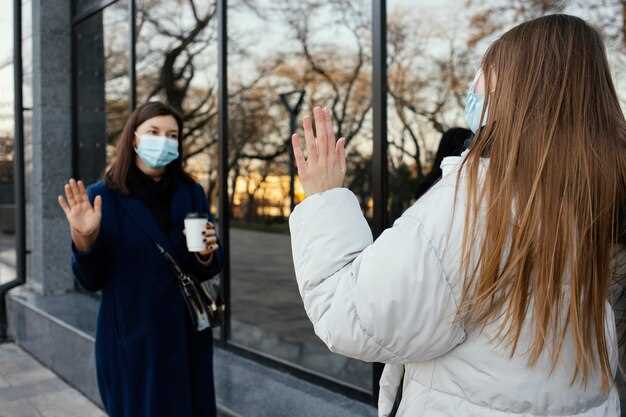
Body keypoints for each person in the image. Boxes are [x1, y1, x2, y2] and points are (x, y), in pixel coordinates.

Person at [289, 14, 626, 417]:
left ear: (519, 88)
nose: (474, 86)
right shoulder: (593, 194)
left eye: (485, 71)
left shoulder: (479, 199)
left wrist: (324, 199)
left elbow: (352, 317)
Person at [57, 101, 223, 417]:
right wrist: (84, 238)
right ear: (134, 138)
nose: (164, 141)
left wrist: (207, 254)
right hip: (132, 337)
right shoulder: (102, 196)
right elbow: (90, 280)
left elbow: (209, 264)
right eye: (154, 132)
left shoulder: (191, 192)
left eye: (172, 135)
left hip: (187, 335)